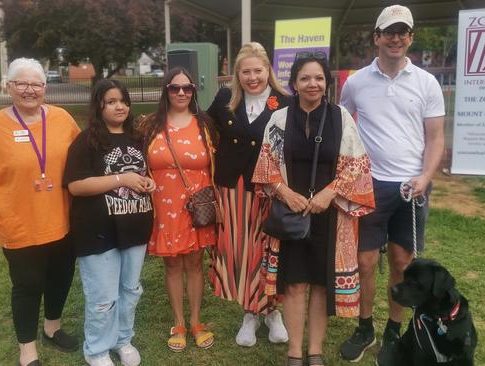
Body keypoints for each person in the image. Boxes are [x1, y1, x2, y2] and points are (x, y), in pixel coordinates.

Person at [338, 5, 445, 365]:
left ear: (410, 37)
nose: (396, 38)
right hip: (369, 187)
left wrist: (426, 177)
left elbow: (435, 138)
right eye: (389, 32)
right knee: (365, 261)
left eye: (403, 32)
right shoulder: (356, 82)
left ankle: (393, 331)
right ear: (377, 37)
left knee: (401, 261)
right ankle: (365, 328)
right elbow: (343, 126)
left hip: (412, 187)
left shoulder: (427, 82)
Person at [252, 54, 375, 366]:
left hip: (329, 215)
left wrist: (329, 193)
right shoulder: (279, 119)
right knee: (294, 283)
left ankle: (315, 352)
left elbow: (357, 164)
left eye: (319, 78)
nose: (312, 84)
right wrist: (285, 193)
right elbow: (266, 166)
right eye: (305, 78)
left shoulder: (340, 117)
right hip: (291, 212)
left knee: (321, 284)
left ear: (326, 83)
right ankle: (295, 352)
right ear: (294, 83)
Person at [0, 58, 80, 366]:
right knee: (27, 285)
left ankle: (52, 327)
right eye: (22, 84)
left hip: (63, 220)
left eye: (36, 84)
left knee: (60, 276)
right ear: (9, 87)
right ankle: (27, 349)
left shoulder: (63, 119)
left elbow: (84, 158)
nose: (30, 91)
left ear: (45, 88)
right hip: (19, 223)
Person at [63, 79, 155, 366]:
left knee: (130, 289)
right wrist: (121, 179)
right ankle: (97, 349)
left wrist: (146, 182)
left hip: (135, 228)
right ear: (99, 106)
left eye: (123, 101)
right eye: (112, 101)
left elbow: (140, 172)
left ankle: (122, 340)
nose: (120, 106)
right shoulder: (87, 140)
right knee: (103, 296)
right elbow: (76, 185)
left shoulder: (136, 138)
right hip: (98, 231)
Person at [207, 42, 289, 347]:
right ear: (237, 74)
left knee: (269, 251)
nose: (252, 77)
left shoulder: (285, 102)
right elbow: (204, 130)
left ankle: (272, 312)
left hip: (271, 190)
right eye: (246, 71)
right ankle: (250, 314)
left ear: (268, 69)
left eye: (258, 70)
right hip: (233, 189)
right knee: (242, 251)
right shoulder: (225, 98)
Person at [141, 67, 218, 352]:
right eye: (175, 88)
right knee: (172, 264)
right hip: (163, 206)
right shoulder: (149, 126)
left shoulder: (206, 125)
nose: (182, 93)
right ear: (166, 91)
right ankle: (179, 323)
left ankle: (197, 321)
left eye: (188, 88)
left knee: (195, 263)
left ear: (194, 91)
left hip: (198, 207)